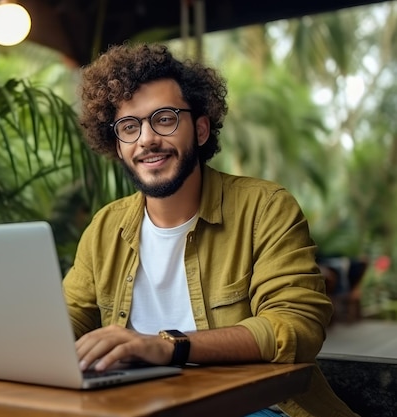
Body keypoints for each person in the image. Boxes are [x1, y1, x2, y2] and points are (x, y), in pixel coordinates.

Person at [62, 43, 358, 417]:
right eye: (129, 126)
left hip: (260, 408)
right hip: (140, 407)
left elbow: (295, 327)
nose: (147, 138)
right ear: (117, 146)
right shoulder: (105, 228)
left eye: (165, 119)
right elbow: (67, 321)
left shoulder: (264, 207)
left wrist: (168, 346)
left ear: (201, 130)